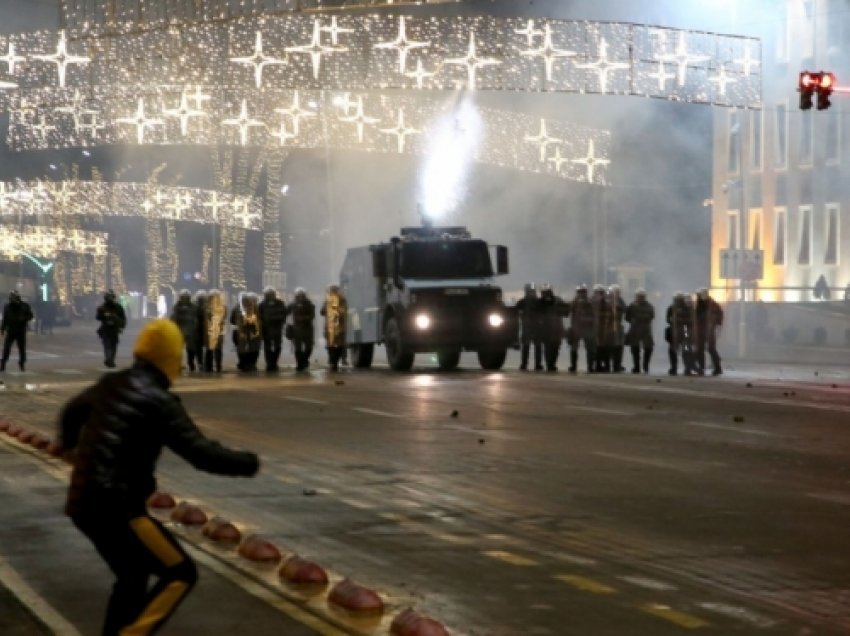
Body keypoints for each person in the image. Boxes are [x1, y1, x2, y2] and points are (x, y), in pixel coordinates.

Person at [57, 319, 259, 636]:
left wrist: (68, 445)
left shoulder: (112, 383)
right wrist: (248, 462)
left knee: (132, 575)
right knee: (180, 572)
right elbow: (199, 453)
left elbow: (71, 412)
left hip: (83, 501)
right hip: (119, 508)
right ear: (170, 358)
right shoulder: (159, 402)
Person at [0, 291, 34, 372]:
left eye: (13, 297)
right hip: (11, 331)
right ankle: (3, 363)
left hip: (20, 331)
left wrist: (24, 318)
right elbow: (5, 319)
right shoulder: (7, 307)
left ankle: (21, 363)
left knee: (22, 349)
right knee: (6, 348)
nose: (12, 299)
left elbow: (30, 315)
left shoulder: (24, 306)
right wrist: (2, 329)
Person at [694, 287, 724, 376]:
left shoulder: (713, 305)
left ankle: (717, 367)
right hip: (700, 329)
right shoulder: (698, 304)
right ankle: (701, 367)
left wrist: (715, 323)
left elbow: (719, 315)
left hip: (709, 330)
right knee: (700, 349)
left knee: (711, 349)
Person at [537, 284, 566, 371]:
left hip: (556, 327)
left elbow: (565, 311)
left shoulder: (557, 300)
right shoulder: (540, 302)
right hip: (547, 328)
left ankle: (551, 364)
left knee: (555, 347)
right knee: (549, 347)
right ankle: (550, 364)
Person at [624, 289, 654, 374]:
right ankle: (636, 366)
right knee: (635, 349)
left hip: (645, 329)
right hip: (635, 329)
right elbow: (627, 317)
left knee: (648, 348)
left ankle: (645, 366)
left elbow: (651, 316)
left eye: (642, 296)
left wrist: (639, 318)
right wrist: (633, 321)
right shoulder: (632, 306)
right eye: (639, 296)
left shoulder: (649, 306)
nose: (640, 298)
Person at [230, 292, 262, 372]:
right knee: (248, 349)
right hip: (246, 331)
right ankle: (247, 364)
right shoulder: (253, 307)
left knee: (246, 349)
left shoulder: (237, 307)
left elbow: (232, 320)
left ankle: (246, 364)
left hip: (245, 331)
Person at [567, 285, 596, 373]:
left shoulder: (589, 303)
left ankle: (590, 366)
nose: (581, 294)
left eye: (583, 292)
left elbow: (593, 316)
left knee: (589, 348)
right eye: (580, 292)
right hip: (576, 328)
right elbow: (567, 312)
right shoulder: (574, 303)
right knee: (574, 348)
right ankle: (573, 366)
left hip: (587, 328)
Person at [95, 290, 127, 369]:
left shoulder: (118, 307)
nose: (109, 299)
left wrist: (121, 327)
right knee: (107, 345)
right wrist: (104, 315)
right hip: (106, 329)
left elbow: (123, 318)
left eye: (111, 297)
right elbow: (98, 317)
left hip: (114, 329)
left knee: (113, 345)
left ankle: (111, 360)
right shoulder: (102, 307)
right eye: (108, 297)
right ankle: (109, 359)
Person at [258, 287, 287, 371]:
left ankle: (274, 362)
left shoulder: (280, 303)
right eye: (268, 294)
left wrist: (277, 320)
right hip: (266, 328)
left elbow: (284, 314)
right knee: (267, 346)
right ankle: (269, 363)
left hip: (277, 327)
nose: (270, 296)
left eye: (271, 294)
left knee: (277, 346)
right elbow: (259, 316)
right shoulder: (262, 304)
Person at [287, 287, 315, 372]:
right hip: (297, 329)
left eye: (302, 295)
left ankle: (304, 360)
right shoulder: (293, 304)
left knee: (308, 348)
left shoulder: (309, 304)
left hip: (307, 329)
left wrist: (304, 318)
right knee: (298, 349)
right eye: (298, 295)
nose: (300, 297)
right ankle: (300, 364)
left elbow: (312, 316)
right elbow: (286, 312)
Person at [666, 292, 694, 376]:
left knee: (686, 350)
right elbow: (668, 319)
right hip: (674, 332)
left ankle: (687, 368)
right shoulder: (671, 308)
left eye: (679, 299)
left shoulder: (687, 308)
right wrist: (672, 321)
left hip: (684, 331)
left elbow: (691, 319)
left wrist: (681, 320)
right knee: (672, 350)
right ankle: (674, 368)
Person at [515, 283, 542, 370]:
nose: (531, 293)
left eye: (532, 291)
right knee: (528, 346)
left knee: (536, 346)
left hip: (535, 327)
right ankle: (525, 364)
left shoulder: (538, 302)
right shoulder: (523, 302)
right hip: (528, 327)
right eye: (530, 291)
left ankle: (535, 364)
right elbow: (515, 311)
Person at [169, 289, 198, 372]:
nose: (185, 299)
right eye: (183, 297)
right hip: (179, 331)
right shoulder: (176, 307)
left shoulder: (193, 307)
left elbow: (197, 318)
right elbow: (173, 319)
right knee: (178, 350)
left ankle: (191, 363)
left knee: (191, 349)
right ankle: (178, 364)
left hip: (191, 331)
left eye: (186, 297)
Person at [320, 285, 347, 372]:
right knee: (330, 346)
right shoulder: (327, 300)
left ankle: (335, 361)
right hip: (329, 327)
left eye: (334, 291)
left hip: (340, 327)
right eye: (332, 291)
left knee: (339, 346)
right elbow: (322, 312)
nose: (333, 292)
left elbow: (344, 311)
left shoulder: (342, 300)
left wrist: (336, 309)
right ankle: (333, 362)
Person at [605, 285, 627, 372]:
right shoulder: (606, 300)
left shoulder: (621, 301)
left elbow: (625, 309)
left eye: (618, 292)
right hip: (608, 326)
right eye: (615, 292)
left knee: (619, 347)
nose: (616, 294)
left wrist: (618, 305)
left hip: (618, 326)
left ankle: (617, 365)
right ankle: (607, 365)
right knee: (608, 348)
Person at [204, 289, 226, 373]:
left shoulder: (222, 307)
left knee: (218, 350)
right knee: (209, 350)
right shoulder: (207, 307)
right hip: (210, 331)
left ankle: (218, 366)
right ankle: (209, 367)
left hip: (218, 330)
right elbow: (206, 319)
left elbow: (223, 319)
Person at [591, 284, 610, 372]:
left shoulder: (603, 302)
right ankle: (598, 365)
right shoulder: (593, 301)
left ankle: (600, 365)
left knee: (601, 347)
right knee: (598, 347)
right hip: (596, 327)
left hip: (600, 327)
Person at [192, 290, 208, 371]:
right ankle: (200, 363)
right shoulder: (195, 306)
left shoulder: (207, 306)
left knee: (206, 348)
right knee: (198, 347)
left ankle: (204, 363)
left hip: (205, 329)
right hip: (198, 330)